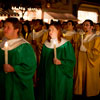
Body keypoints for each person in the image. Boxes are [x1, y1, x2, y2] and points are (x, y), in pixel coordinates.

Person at [0, 17, 37, 100]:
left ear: (16, 29)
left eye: (8, 27)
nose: (4, 29)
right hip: (4, 85)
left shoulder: (24, 46)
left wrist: (14, 68)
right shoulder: (2, 44)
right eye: (4, 27)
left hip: (18, 87)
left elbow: (30, 66)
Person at [37, 22, 76, 100]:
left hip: (61, 77)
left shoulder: (66, 45)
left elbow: (71, 62)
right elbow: (42, 63)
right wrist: (40, 75)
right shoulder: (46, 45)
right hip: (48, 77)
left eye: (52, 30)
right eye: (49, 30)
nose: (50, 32)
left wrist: (61, 62)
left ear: (58, 30)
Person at [74, 19, 100, 99]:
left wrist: (86, 50)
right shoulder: (82, 36)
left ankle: (91, 91)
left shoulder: (96, 38)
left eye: (87, 25)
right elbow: (76, 47)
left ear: (92, 27)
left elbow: (97, 52)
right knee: (81, 76)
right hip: (81, 61)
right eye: (84, 25)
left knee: (90, 78)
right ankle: (80, 91)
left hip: (90, 62)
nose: (85, 26)